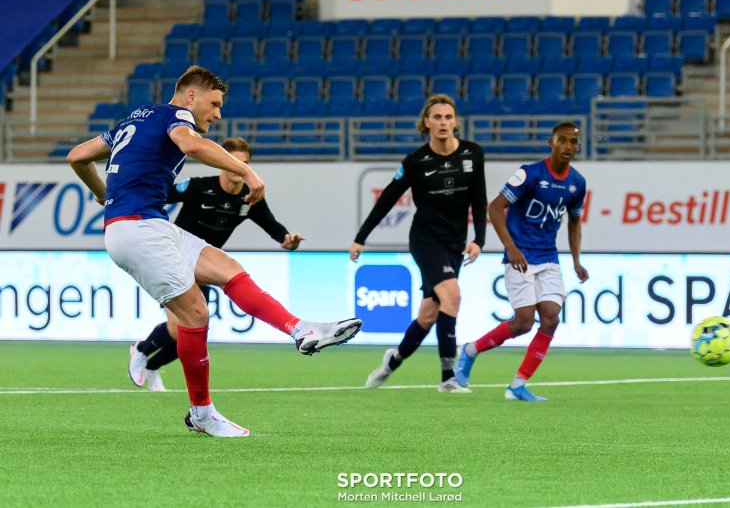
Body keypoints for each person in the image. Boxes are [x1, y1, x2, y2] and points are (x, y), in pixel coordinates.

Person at [67, 65, 362, 437]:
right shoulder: (176, 115)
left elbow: (78, 155)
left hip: (150, 224)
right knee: (195, 315)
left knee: (229, 270)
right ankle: (202, 413)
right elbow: (191, 145)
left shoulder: (133, 120)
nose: (218, 113)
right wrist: (248, 172)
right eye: (215, 103)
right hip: (137, 228)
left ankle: (301, 329)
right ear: (191, 96)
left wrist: (102, 191)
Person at [128, 137, 304, 392]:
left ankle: (153, 367)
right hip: (174, 261)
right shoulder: (198, 187)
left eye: (244, 163)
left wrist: (288, 240)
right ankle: (141, 350)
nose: (238, 168)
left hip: (204, 269)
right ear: (223, 163)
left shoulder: (249, 198)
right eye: (233, 162)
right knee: (179, 328)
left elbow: (272, 226)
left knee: (196, 331)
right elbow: (160, 196)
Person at [349, 94, 487, 393]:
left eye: (448, 117)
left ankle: (392, 361)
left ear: (455, 122)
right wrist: (361, 237)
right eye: (437, 117)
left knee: (429, 315)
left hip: (455, 243)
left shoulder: (472, 154)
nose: (443, 123)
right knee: (452, 297)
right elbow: (387, 198)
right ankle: (448, 378)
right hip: (425, 241)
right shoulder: (415, 162)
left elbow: (479, 197)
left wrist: (479, 239)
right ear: (426, 122)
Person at [454, 120, 589, 402]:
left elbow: (574, 222)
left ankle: (518, 385)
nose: (568, 146)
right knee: (524, 323)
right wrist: (510, 247)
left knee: (551, 319)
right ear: (551, 142)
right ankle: (470, 350)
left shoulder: (577, 183)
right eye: (563, 140)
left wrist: (576, 260)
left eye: (574, 142)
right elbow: (495, 207)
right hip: (521, 257)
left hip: (549, 259)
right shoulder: (529, 174)